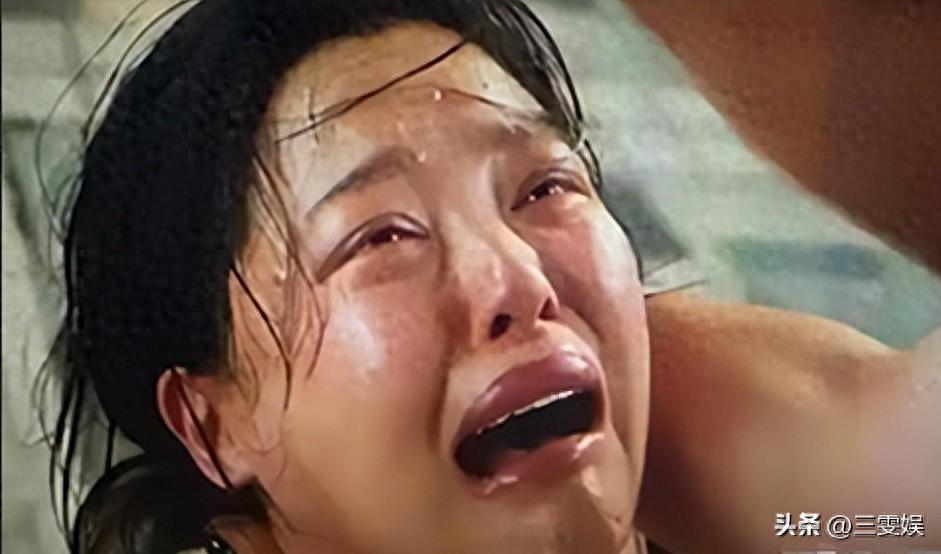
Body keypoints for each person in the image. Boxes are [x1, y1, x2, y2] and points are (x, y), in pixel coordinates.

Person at [44, 0, 939, 553]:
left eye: (544, 188)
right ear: (213, 425)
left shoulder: (696, 427)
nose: (516, 278)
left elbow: (888, 516)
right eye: (381, 237)